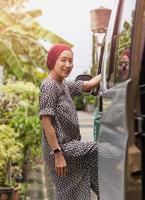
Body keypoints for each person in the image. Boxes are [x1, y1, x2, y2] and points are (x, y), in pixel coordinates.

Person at [39, 43, 101, 200]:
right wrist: (58, 155)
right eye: (63, 60)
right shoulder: (49, 86)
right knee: (101, 150)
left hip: (69, 146)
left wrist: (108, 72)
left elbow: (87, 85)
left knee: (71, 192)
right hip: (61, 149)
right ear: (53, 60)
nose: (67, 65)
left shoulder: (64, 84)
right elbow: (46, 123)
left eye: (71, 61)